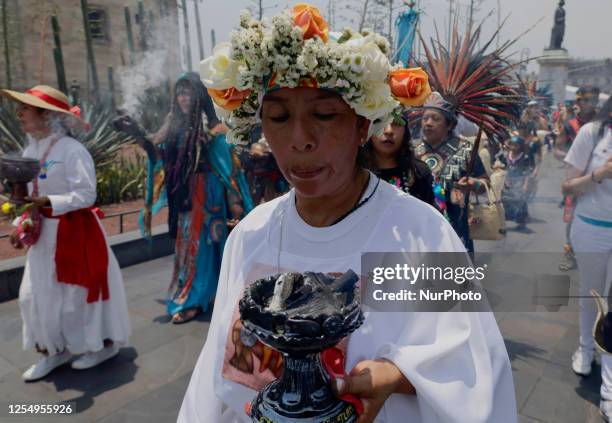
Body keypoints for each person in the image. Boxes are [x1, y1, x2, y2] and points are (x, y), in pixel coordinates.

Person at [178, 5, 516, 422]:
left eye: (324, 115)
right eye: (280, 117)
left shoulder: (419, 234)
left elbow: (475, 367)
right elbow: (216, 374)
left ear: (362, 126)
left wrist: (399, 375)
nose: (300, 140)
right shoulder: (252, 233)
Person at [1, 85, 131, 381]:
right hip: (42, 233)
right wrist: (18, 226)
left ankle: (101, 346)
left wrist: (48, 202)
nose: (19, 113)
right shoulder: (30, 149)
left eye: (26, 108)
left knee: (76, 297)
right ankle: (53, 350)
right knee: (32, 296)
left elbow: (86, 194)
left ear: (45, 115)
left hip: (74, 232)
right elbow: (25, 194)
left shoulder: (72, 150)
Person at [113, 72, 254, 324]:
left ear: (199, 95)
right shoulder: (172, 122)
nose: (183, 97)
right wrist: (137, 133)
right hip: (184, 197)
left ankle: (193, 300)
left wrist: (236, 205)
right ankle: (194, 295)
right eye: (179, 92)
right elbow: (158, 150)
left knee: (200, 249)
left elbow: (227, 169)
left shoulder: (215, 128)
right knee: (187, 248)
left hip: (207, 196)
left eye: (188, 91)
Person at [562, 96, 612, 420]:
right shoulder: (592, 133)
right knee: (592, 296)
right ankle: (584, 345)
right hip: (592, 228)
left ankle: (609, 388)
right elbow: (567, 185)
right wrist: (600, 174)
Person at [413, 94, 489, 252]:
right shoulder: (412, 151)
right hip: (417, 229)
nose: (428, 123)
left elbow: (485, 182)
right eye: (425, 118)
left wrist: (474, 184)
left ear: (449, 125)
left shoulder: (465, 150)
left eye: (435, 119)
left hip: (455, 229)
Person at [554, 86, 601, 271]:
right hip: (577, 179)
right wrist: (572, 156)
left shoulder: (605, 122)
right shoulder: (570, 125)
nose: (590, 104)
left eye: (593, 100)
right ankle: (569, 253)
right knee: (573, 217)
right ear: (578, 102)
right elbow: (557, 149)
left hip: (603, 178)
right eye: (586, 100)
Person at [366, 110, 435, 206]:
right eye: (379, 121)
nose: (388, 131)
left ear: (405, 131)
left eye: (397, 123)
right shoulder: (352, 173)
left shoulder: (419, 173)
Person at [497, 135, 535, 231]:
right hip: (506, 181)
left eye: (516, 145)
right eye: (512, 145)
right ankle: (502, 224)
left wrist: (526, 184)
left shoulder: (525, 157)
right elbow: (500, 168)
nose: (514, 147)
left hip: (519, 182)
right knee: (504, 202)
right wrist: (503, 180)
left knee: (520, 202)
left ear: (521, 146)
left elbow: (527, 172)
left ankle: (521, 223)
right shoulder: (504, 155)